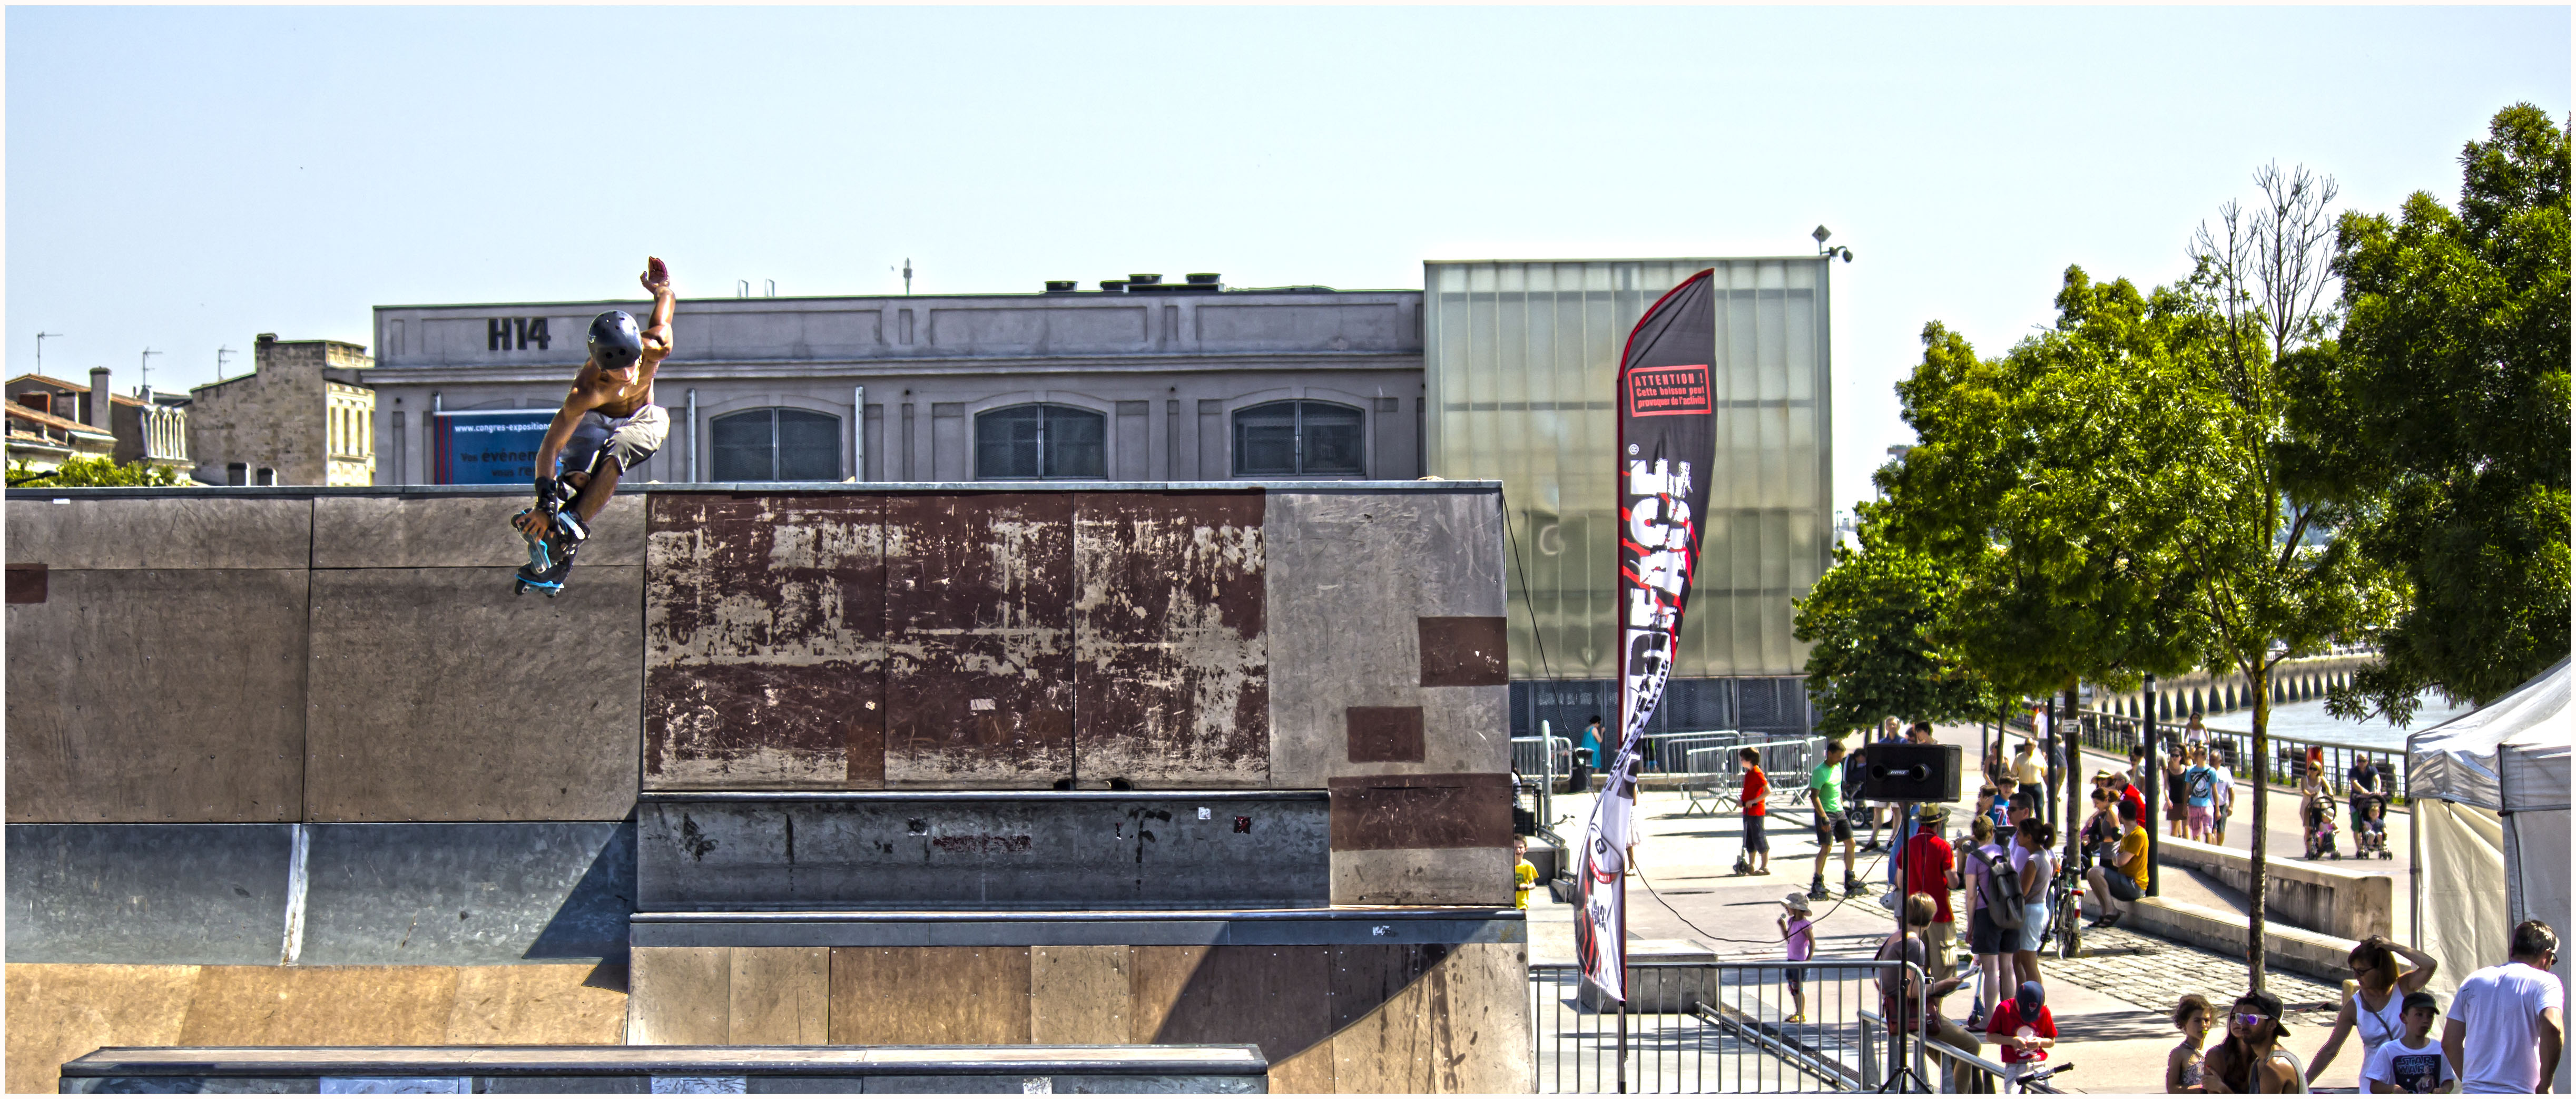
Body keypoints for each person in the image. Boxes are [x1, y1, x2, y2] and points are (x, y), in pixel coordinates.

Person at [512, 257, 677, 592]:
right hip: (597, 419)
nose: (629, 375)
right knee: (578, 477)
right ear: (601, 367)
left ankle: (568, 531)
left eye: (634, 365)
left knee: (618, 450)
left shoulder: (655, 347)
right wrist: (545, 502)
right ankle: (559, 537)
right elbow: (551, 446)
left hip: (644, 416)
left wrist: (660, 288)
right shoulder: (585, 391)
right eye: (617, 372)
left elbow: (666, 302)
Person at [2442, 919, 2564, 1093]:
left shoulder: (2474, 980)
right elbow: (2553, 1028)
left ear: (2512, 951)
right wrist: (2546, 1084)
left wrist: (2473, 1083)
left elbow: (2449, 1042)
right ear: (2547, 954)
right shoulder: (2545, 982)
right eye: (2553, 960)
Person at [1878, 891, 1983, 1095]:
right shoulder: (1915, 944)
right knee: (1972, 1046)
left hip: (1898, 1011)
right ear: (1931, 919)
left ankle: (1956, 1088)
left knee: (1952, 1056)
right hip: (1914, 1015)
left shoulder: (1895, 937)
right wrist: (1944, 985)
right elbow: (1913, 991)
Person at [1954, 814, 2009, 1028]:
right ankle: (2009, 1016)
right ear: (1992, 832)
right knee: (2007, 968)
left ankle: (1989, 1019)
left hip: (1987, 915)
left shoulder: (1975, 858)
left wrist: (1970, 925)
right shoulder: (2005, 852)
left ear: (1974, 836)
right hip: (2008, 913)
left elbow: (1970, 895)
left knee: (1990, 969)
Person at [2204, 990, 2310, 1092]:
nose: (2243, 1025)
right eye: (2240, 1017)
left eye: (2252, 1019)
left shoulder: (2274, 1067)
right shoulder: (2258, 1063)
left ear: (2272, 1025)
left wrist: (2223, 1090)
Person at [1902, 803, 1958, 977]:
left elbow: (1899, 880)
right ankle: (1936, 1003)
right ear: (1939, 824)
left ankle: (1919, 1002)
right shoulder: (1943, 847)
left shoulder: (1908, 845)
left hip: (1913, 914)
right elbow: (1954, 882)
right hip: (1939, 913)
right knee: (1944, 967)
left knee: (1915, 968)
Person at [2362, 992, 2454, 1094]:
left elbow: (2448, 1080)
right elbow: (2374, 1086)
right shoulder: (2389, 1050)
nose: (2426, 1020)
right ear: (2404, 1018)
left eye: (2430, 1016)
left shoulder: (2439, 1049)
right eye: (2419, 1014)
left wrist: (2444, 1090)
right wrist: (2393, 1089)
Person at [1808, 739, 1861, 900]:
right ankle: (1818, 881)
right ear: (1829, 754)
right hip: (1826, 813)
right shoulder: (1820, 771)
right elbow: (1814, 796)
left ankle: (1850, 878)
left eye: (1842, 757)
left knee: (1851, 843)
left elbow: (1837, 788)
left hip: (1839, 811)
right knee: (1826, 849)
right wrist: (1823, 817)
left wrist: (1842, 802)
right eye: (1838, 756)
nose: (1840, 760)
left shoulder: (1838, 767)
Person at [2085, 800, 2150, 928]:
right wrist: (2116, 859)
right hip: (2125, 880)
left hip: (2134, 885)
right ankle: (2105, 913)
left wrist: (2115, 858)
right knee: (2091, 873)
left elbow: (2121, 861)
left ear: (2120, 816)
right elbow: (2118, 860)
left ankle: (2112, 911)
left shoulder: (2139, 835)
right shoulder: (2127, 834)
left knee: (2096, 872)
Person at [2011, 816, 2056, 995]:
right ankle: (2021, 997)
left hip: (2031, 912)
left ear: (2029, 837)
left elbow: (2023, 892)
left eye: (2020, 834)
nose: (2017, 837)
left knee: (2029, 962)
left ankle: (2037, 1002)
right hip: (2035, 910)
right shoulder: (2042, 855)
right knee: (2017, 960)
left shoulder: (2034, 861)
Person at [1988, 980, 2058, 1091]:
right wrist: (2012, 1041)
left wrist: (2040, 1042)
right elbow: (1990, 1036)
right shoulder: (2004, 1009)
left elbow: (2051, 1041)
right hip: (2015, 1067)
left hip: (2038, 1065)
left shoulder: (2044, 1012)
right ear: (2016, 999)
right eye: (2024, 1011)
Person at [1779, 890, 1815, 1024]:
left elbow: (1812, 942)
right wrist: (1783, 926)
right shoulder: (1791, 921)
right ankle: (1797, 1012)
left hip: (1800, 960)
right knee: (1792, 987)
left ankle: (1801, 1013)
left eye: (1788, 907)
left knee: (1798, 987)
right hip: (1791, 959)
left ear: (1796, 908)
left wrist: (1809, 959)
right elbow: (1788, 938)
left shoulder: (1805, 924)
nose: (1786, 909)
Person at [1736, 746, 1771, 875]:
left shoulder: (1757, 772)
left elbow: (1768, 791)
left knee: (1759, 837)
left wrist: (1754, 801)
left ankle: (1765, 866)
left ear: (1749, 759)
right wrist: (1743, 801)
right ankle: (1751, 865)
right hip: (1748, 812)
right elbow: (1749, 791)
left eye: (1743, 759)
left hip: (1756, 812)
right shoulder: (1749, 773)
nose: (1741, 761)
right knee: (1749, 839)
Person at [2170, 993, 2215, 1093]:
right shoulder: (2179, 1054)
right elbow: (2172, 1089)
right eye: (2197, 1021)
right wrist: (2200, 1090)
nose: (2203, 1025)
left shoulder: (2213, 1051)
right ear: (2184, 1023)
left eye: (2206, 1020)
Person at [2183, 747, 2221, 842]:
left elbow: (2215, 791)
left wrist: (2217, 809)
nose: (2195, 756)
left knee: (2208, 830)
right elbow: (2187, 790)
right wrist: (2185, 806)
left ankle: (2208, 852)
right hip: (2194, 805)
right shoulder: (2190, 771)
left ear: (2204, 756)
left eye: (2197, 754)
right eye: (2195, 754)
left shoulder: (2211, 771)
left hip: (2207, 805)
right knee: (2196, 833)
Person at [2347, 755, 2386, 839]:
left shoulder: (2372, 770)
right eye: (2359, 761)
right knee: (2357, 826)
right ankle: (2360, 849)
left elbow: (2377, 779)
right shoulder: (2353, 771)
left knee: (2378, 816)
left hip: (2369, 801)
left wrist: (2378, 789)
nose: (2361, 763)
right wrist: (2362, 790)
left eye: (2363, 761)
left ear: (2367, 761)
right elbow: (2354, 782)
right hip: (2356, 800)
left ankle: (2380, 839)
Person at [2166, 749, 2192, 838]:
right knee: (2174, 829)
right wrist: (2167, 799)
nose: (2174, 757)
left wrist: (2187, 803)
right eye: (2172, 755)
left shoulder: (2186, 770)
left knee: (2186, 827)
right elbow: (2166, 788)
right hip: (2173, 802)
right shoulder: (2168, 771)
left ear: (2181, 757)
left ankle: (2187, 848)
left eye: (2176, 756)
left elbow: (2188, 788)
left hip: (2184, 801)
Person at [2013, 738, 2046, 806]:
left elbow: (2045, 774)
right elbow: (2013, 774)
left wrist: (2050, 788)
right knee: (2025, 809)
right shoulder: (2019, 757)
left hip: (2037, 786)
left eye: (2030, 745)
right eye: (2026, 745)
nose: (2027, 746)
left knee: (2039, 807)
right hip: (2024, 787)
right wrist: (2012, 788)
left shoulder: (2040, 757)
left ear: (2034, 746)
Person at [2211, 763, 2236, 847]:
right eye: (2211, 760)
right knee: (2212, 829)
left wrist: (2231, 806)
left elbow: (2231, 790)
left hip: (2222, 805)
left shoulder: (2225, 772)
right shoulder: (2208, 770)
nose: (2212, 762)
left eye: (2214, 760)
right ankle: (2212, 848)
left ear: (2220, 761)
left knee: (2221, 830)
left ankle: (2219, 847)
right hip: (2210, 805)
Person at [1512, 836, 1538, 910]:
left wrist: (1526, 886)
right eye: (1515, 847)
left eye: (1521, 847)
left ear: (1526, 849)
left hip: (1522, 904)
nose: (1518, 850)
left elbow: (1533, 884)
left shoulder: (1528, 866)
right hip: (1508, 904)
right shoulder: (1506, 865)